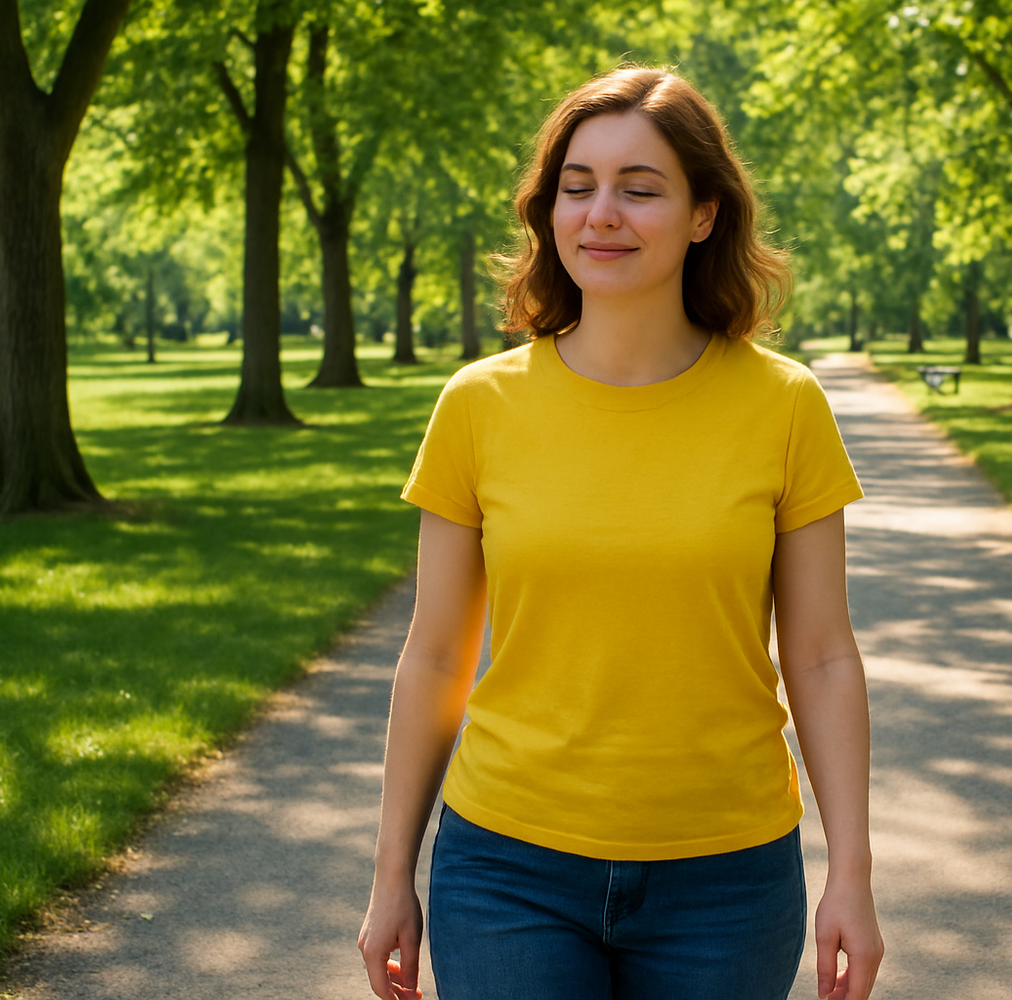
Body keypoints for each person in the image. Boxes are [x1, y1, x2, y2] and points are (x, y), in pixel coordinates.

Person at [357, 66, 884, 1000]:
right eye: (578, 187)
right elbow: (435, 655)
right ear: (548, 212)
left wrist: (853, 872)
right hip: (507, 871)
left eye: (640, 190)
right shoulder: (478, 405)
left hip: (727, 879)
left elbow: (823, 655)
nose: (602, 213)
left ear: (703, 215)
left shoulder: (786, 405)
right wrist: (390, 868)